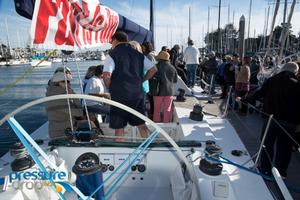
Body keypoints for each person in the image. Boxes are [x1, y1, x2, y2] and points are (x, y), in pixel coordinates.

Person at [242, 62, 300, 177]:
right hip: (289, 122)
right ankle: (281, 173)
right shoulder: (297, 85)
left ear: (283, 69)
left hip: (270, 119)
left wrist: (244, 99)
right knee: (284, 148)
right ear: (295, 72)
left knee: (267, 144)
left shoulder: (272, 80)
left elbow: (259, 93)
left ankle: (265, 170)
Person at [103, 31, 157, 141]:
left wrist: (110, 88)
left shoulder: (112, 55)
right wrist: (142, 79)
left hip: (119, 95)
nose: (111, 44)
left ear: (115, 40)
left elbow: (107, 75)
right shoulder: (138, 54)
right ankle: (149, 144)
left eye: (111, 42)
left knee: (119, 126)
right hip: (137, 93)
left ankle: (119, 150)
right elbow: (153, 69)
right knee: (141, 123)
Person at [46, 70, 83, 139]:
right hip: (63, 134)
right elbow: (79, 113)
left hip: (62, 129)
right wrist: (74, 96)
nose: (69, 84)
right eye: (67, 82)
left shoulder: (53, 93)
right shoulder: (59, 98)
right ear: (59, 83)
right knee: (91, 125)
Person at [153, 51, 178, 123]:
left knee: (157, 109)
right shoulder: (172, 68)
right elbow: (175, 80)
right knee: (167, 109)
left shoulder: (156, 67)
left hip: (158, 91)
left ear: (159, 59)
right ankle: (166, 124)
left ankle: (157, 124)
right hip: (169, 91)